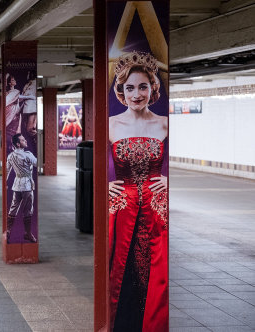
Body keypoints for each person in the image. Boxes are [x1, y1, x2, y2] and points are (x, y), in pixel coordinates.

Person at [108, 51, 168, 332]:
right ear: (121, 91)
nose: (136, 94)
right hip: (121, 208)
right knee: (123, 269)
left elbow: (175, 163)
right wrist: (105, 184)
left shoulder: (165, 123)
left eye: (142, 86)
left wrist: (169, 180)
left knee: (153, 272)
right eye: (129, 88)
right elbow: (98, 166)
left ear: (152, 88)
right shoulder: (110, 124)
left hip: (156, 210)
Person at [6, 133, 37, 243]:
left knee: (13, 208)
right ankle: (28, 233)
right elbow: (38, 164)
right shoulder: (27, 155)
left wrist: (5, 183)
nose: (26, 141)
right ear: (18, 144)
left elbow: (7, 171)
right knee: (28, 210)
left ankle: (8, 231)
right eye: (23, 140)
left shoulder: (11, 156)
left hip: (17, 185)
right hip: (27, 185)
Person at [5, 74, 35, 154]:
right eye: (12, 80)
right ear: (9, 83)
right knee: (12, 136)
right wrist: (30, 97)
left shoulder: (14, 93)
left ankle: (15, 152)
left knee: (15, 135)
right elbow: (15, 99)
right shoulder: (12, 93)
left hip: (16, 118)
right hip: (11, 119)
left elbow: (18, 103)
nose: (14, 81)